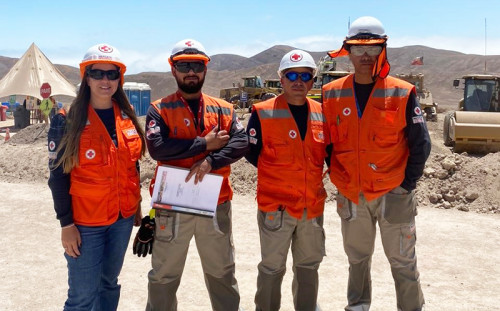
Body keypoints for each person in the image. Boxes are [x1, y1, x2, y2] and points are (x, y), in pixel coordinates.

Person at [322, 16, 430, 311]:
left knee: (403, 262)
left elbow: (421, 143)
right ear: (348, 51)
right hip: (351, 193)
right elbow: (328, 143)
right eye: (358, 49)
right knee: (357, 260)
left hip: (393, 192)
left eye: (373, 48)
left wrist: (406, 184)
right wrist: (338, 176)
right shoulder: (331, 93)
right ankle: (357, 307)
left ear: (383, 49)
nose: (366, 56)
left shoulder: (402, 92)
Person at [135, 38, 248, 311]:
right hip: (172, 207)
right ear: (173, 70)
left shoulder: (225, 108)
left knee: (222, 273)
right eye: (183, 65)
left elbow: (241, 142)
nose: (191, 71)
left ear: (205, 69)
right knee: (164, 275)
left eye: (197, 65)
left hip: (215, 203)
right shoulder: (159, 109)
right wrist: (204, 144)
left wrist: (210, 161)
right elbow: (158, 149)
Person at [47, 43, 146, 311]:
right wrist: (66, 225)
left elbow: (131, 167)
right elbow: (57, 178)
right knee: (82, 297)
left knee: (109, 284)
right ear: (86, 77)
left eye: (112, 74)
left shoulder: (126, 118)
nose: (105, 80)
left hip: (122, 220)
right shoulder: (66, 120)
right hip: (85, 224)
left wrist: (136, 206)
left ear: (119, 78)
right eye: (97, 73)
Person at [245, 49, 327, 311]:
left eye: (305, 75)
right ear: (281, 79)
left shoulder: (322, 114)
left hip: (311, 208)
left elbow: (329, 154)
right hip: (276, 209)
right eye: (292, 75)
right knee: (271, 268)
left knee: (308, 268)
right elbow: (251, 153)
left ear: (313, 80)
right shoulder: (263, 112)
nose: (298, 81)